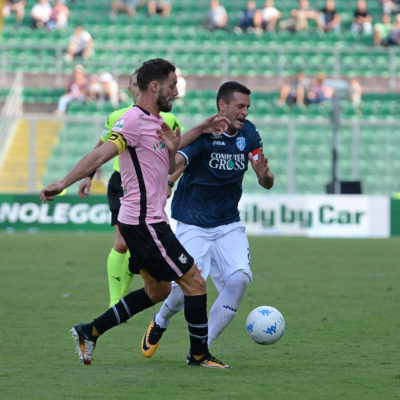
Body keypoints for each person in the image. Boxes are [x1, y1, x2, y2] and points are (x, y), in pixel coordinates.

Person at [41, 58, 231, 368]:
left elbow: (164, 166)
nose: (176, 91)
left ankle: (89, 331)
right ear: (154, 86)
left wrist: (193, 133)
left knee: (158, 290)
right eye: (172, 85)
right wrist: (63, 182)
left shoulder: (155, 122)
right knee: (195, 281)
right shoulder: (132, 121)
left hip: (144, 220)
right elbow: (100, 154)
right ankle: (199, 354)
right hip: (145, 222)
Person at [141, 81, 274, 358]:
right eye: (240, 106)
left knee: (239, 280)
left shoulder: (249, 133)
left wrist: (264, 175)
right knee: (183, 290)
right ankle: (160, 321)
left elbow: (266, 181)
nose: (245, 112)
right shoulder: (205, 134)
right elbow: (176, 163)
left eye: (247, 107)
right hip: (193, 223)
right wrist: (167, 174)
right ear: (222, 105)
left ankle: (202, 349)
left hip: (228, 224)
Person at [78, 70, 185, 308]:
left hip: (150, 186)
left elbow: (183, 155)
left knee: (136, 245)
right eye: (135, 85)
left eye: (141, 84)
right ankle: (115, 302)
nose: (139, 88)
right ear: (129, 89)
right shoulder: (118, 117)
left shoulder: (168, 119)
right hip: (121, 183)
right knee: (121, 243)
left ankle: (126, 301)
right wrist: (88, 176)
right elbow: (101, 149)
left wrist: (169, 181)